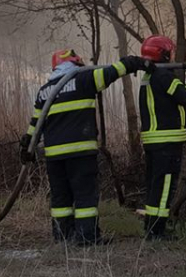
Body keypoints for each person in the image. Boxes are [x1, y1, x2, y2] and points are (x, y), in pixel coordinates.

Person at [21, 48, 147, 245]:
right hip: (80, 152)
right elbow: (110, 73)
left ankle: (62, 236)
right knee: (84, 196)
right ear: (76, 64)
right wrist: (131, 62)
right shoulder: (83, 79)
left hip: (54, 156)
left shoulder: (44, 90)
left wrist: (27, 145)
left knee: (60, 198)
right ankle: (87, 238)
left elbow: (35, 124)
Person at [138, 35, 186, 240]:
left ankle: (151, 227)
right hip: (166, 142)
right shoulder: (162, 76)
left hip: (155, 141)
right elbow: (185, 96)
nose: (171, 55)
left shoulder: (150, 75)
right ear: (163, 53)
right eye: (169, 51)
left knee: (156, 186)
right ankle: (157, 232)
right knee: (164, 187)